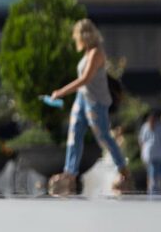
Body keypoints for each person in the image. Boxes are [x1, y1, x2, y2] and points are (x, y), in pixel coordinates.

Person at [48, 20, 130, 195]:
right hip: (82, 98)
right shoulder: (86, 53)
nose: (75, 39)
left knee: (104, 137)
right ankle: (69, 174)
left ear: (84, 36)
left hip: (96, 101)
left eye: (77, 36)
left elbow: (85, 79)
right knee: (74, 135)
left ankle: (123, 171)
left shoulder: (96, 53)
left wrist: (61, 92)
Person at [139, 111, 161, 195]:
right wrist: (142, 152)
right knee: (152, 172)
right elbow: (141, 141)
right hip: (150, 154)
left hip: (160, 153)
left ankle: (159, 188)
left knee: (160, 172)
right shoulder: (144, 127)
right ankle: (152, 188)